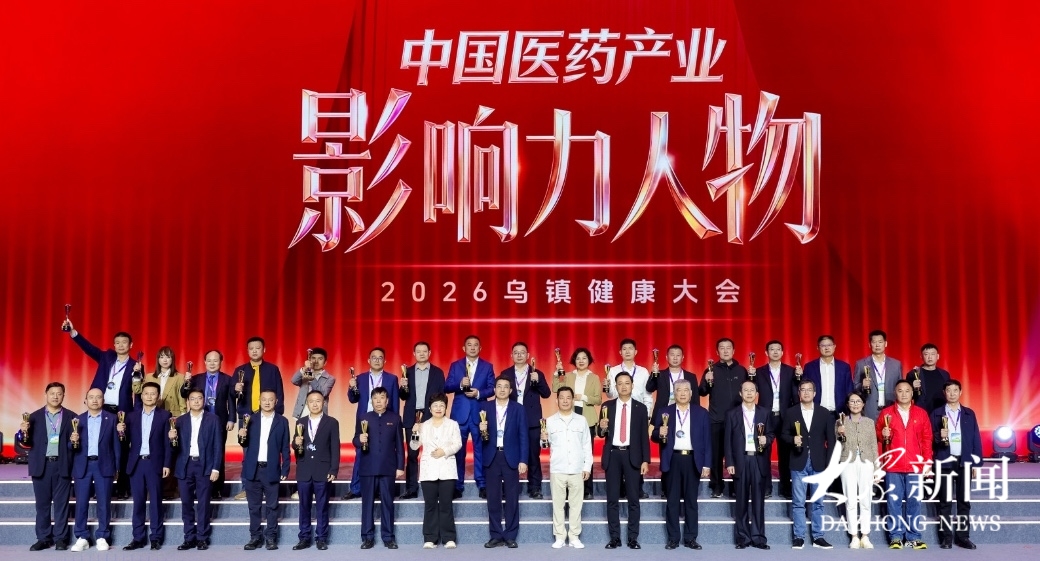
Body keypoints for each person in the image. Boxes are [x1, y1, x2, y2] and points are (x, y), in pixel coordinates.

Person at [66, 320, 138, 499]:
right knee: (96, 446)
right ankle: (94, 487)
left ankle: (121, 487)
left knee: (121, 448)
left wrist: (138, 374)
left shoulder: (136, 365)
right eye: (117, 342)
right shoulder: (106, 357)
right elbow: (89, 349)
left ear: (131, 345)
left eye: (124, 342)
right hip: (100, 408)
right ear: (114, 345)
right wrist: (73, 332)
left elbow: (138, 391)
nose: (121, 345)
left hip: (122, 412)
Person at [653, 379, 711, 550]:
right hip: (673, 459)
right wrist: (659, 432)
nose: (683, 393)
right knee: (672, 501)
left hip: (693, 460)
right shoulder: (665, 412)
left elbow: (707, 441)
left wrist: (707, 464)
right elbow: (654, 436)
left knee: (691, 501)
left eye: (686, 390)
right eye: (679, 390)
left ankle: (690, 538)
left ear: (691, 393)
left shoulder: (701, 413)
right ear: (674, 393)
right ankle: (673, 538)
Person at [19, 382, 75, 552]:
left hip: (62, 465)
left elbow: (75, 446)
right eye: (52, 393)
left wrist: (74, 442)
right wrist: (22, 432)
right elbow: (24, 443)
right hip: (41, 466)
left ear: (64, 396)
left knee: (61, 505)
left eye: (59, 393)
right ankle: (43, 538)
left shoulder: (72, 417)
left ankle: (60, 538)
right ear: (45, 394)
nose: (55, 396)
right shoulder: (33, 417)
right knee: (42, 505)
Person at [877, 379, 932, 550]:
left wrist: (927, 462)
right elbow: (877, 438)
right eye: (900, 391)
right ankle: (896, 536)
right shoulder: (886, 413)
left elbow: (927, 440)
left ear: (912, 393)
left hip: (915, 465)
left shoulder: (921, 414)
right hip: (893, 465)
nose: (904, 394)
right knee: (894, 502)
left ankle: (913, 536)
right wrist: (881, 433)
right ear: (895, 393)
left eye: (907, 390)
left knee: (914, 501)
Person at [598, 371, 650, 550]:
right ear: (615, 386)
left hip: (632, 455)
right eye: (620, 383)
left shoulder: (640, 408)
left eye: (627, 383)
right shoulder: (607, 406)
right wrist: (601, 427)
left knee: (633, 499)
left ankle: (632, 538)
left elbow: (643, 436)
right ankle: (615, 538)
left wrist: (646, 460)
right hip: (613, 454)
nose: (623, 386)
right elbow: (600, 433)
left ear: (632, 385)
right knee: (612, 499)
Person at [782, 379, 836, 549]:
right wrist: (793, 439)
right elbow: (783, 435)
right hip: (798, 461)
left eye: (809, 390)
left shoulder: (824, 413)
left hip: (819, 463)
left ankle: (818, 537)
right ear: (799, 393)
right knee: (798, 502)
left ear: (815, 393)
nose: (806, 392)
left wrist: (829, 464)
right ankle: (799, 536)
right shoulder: (791, 412)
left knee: (818, 502)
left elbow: (831, 440)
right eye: (803, 390)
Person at [120, 382, 173, 551]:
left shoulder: (165, 416)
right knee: (138, 502)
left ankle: (156, 537)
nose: (149, 396)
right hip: (136, 464)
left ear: (158, 397)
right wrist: (120, 431)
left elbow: (167, 443)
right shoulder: (131, 416)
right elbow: (124, 442)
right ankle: (138, 538)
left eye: (153, 393)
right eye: (146, 393)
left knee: (156, 501)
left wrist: (167, 464)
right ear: (141, 396)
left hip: (154, 463)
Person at [931, 379, 983, 550]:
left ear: (960, 392)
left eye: (955, 390)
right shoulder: (937, 413)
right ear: (944, 393)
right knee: (945, 501)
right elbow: (929, 438)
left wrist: (976, 463)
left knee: (964, 501)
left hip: (964, 461)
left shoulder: (969, 413)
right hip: (945, 461)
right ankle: (946, 538)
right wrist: (939, 435)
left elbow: (975, 438)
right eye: (949, 390)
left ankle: (963, 537)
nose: (952, 394)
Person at [68, 388, 121, 552]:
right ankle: (82, 536)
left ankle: (102, 536)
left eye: (98, 397)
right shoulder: (77, 420)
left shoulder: (111, 419)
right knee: (81, 503)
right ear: (85, 400)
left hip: (104, 465)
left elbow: (116, 445)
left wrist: (117, 467)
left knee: (104, 502)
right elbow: (71, 447)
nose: (95, 400)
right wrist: (72, 441)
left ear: (103, 401)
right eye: (91, 397)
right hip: (82, 465)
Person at [344, 347, 400, 500]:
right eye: (374, 357)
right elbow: (353, 399)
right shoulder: (360, 378)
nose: (377, 360)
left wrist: (395, 422)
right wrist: (351, 387)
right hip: (365, 421)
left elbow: (395, 402)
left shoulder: (392, 379)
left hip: (385, 420)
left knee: (384, 453)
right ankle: (356, 488)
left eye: (380, 357)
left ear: (385, 361)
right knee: (361, 452)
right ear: (368, 360)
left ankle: (380, 488)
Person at [170, 388, 223, 550]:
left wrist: (216, 468)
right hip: (185, 466)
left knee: (203, 503)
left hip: (204, 465)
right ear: (188, 402)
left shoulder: (213, 419)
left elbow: (218, 445)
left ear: (203, 400)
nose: (196, 401)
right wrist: (171, 439)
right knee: (186, 503)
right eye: (192, 399)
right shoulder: (180, 421)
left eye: (199, 398)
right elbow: (174, 448)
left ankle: (202, 537)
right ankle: (189, 537)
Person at [479, 376, 529, 548]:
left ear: (511, 390)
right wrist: (481, 430)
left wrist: (523, 459)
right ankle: (495, 534)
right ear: (494, 389)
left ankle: (510, 535)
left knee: (512, 498)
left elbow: (523, 436)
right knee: (493, 498)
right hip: (492, 456)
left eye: (505, 387)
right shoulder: (485, 407)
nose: (501, 389)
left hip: (511, 457)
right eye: (499, 386)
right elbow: (480, 437)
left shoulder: (518, 409)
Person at [444, 335, 495, 499]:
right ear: (464, 348)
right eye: (469, 345)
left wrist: (479, 393)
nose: (472, 348)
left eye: (476, 345)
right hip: (459, 415)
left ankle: (482, 484)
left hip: (479, 413)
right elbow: (446, 386)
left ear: (480, 348)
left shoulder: (487, 366)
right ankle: (457, 485)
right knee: (458, 451)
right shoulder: (455, 365)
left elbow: (492, 388)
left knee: (481, 450)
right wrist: (460, 385)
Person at [239, 389, 291, 550]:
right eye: (264, 399)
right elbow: (244, 443)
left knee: (272, 506)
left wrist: (285, 469)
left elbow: (285, 448)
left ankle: (271, 537)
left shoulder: (282, 421)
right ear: (259, 401)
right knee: (253, 507)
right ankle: (255, 537)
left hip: (271, 469)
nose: (267, 402)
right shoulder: (250, 419)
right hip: (252, 469)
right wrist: (241, 436)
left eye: (270, 399)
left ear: (276, 402)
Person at [354, 387, 405, 549]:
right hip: (367, 467)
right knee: (367, 503)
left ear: (387, 400)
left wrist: (400, 466)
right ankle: (367, 537)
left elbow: (399, 445)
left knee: (388, 503)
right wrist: (359, 439)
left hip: (388, 468)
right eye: (375, 398)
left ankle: (388, 537)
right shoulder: (364, 417)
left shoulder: (395, 418)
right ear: (371, 400)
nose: (378, 401)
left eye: (382, 398)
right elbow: (355, 440)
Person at [182, 350, 237, 499]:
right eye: (209, 360)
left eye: (215, 360)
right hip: (198, 421)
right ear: (205, 362)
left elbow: (231, 400)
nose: (212, 363)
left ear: (221, 362)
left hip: (219, 421)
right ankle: (199, 486)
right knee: (199, 452)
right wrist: (186, 382)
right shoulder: (196, 378)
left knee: (218, 453)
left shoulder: (227, 379)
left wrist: (231, 419)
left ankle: (217, 488)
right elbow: (184, 394)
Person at [543, 386, 593, 549]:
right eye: (562, 398)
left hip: (577, 469)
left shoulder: (581, 420)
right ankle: (559, 536)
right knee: (558, 505)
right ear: (556, 400)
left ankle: (574, 537)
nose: (565, 401)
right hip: (558, 469)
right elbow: (544, 446)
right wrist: (543, 439)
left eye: (568, 398)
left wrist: (587, 467)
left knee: (576, 505)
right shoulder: (549, 421)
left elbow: (587, 445)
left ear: (572, 400)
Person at [725, 380, 773, 550]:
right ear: (740, 393)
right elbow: (727, 440)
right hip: (740, 461)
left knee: (759, 502)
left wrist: (766, 439)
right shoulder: (732, 414)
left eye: (752, 390)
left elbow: (771, 434)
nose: (749, 393)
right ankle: (743, 538)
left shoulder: (765, 412)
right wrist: (729, 462)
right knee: (741, 501)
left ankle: (759, 538)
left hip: (758, 460)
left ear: (757, 393)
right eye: (746, 390)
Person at [646, 344, 697, 499]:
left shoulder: (690, 376)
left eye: (678, 355)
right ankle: (666, 486)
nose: (675, 358)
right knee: (666, 451)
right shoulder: (660, 374)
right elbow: (649, 388)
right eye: (672, 355)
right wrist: (653, 374)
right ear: (666, 357)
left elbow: (695, 399)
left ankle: (685, 485)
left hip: (685, 415)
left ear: (683, 357)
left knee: (684, 447)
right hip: (665, 416)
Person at [293, 391, 341, 551]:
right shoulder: (300, 422)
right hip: (304, 470)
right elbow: (296, 447)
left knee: (322, 506)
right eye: (311, 401)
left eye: (318, 401)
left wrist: (334, 469)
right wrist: (296, 443)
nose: (315, 404)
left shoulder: (332, 422)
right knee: (304, 506)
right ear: (307, 404)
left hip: (323, 470)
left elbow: (335, 448)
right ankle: (304, 538)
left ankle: (321, 538)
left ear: (323, 402)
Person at [552, 347, 602, 500]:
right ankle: (569, 488)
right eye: (578, 358)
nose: (581, 361)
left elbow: (598, 399)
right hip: (569, 417)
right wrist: (557, 373)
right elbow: (556, 388)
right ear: (574, 360)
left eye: (584, 358)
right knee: (570, 453)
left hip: (588, 418)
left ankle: (587, 489)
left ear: (589, 360)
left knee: (587, 454)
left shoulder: (594, 378)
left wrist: (583, 397)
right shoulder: (568, 376)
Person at [698, 337, 745, 498]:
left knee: (737, 454)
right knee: (716, 455)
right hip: (716, 419)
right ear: (717, 352)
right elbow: (702, 392)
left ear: (734, 350)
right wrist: (706, 381)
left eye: (728, 347)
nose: (725, 350)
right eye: (722, 348)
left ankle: (736, 486)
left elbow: (751, 391)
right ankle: (717, 486)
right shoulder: (711, 370)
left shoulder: (742, 370)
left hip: (738, 420)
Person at [413, 392, 461, 549]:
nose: (438, 408)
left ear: (446, 408)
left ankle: (448, 538)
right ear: (430, 408)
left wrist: (444, 451)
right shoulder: (424, 425)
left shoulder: (452, 424)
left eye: (442, 405)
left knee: (446, 505)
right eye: (435, 405)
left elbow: (458, 444)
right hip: (428, 470)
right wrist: (415, 432)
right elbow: (414, 446)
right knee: (430, 505)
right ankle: (430, 538)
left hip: (447, 468)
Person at [502, 342, 550, 498]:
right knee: (510, 454)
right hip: (512, 419)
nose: (519, 355)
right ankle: (510, 487)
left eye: (522, 352)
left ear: (528, 355)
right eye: (516, 352)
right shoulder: (506, 374)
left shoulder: (536, 373)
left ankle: (535, 487)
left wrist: (539, 380)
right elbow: (499, 394)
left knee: (533, 455)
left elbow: (547, 394)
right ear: (511, 355)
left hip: (532, 420)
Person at [751, 340, 798, 498]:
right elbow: (750, 391)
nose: (775, 352)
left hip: (785, 417)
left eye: (778, 349)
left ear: (782, 352)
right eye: (772, 349)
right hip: (766, 417)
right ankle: (766, 487)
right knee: (764, 453)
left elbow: (795, 394)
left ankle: (786, 487)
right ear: (766, 353)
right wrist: (751, 377)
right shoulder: (759, 372)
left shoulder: (791, 371)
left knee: (786, 454)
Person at [400, 341, 445, 499]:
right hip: (412, 418)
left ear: (429, 353)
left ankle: (433, 487)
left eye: (424, 351)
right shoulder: (407, 372)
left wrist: (439, 416)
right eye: (418, 351)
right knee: (412, 454)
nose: (421, 354)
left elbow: (442, 396)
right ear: (414, 354)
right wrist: (402, 386)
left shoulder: (437, 372)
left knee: (432, 452)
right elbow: (403, 396)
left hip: (431, 417)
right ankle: (411, 489)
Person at [836, 391, 877, 549]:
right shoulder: (840, 421)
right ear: (847, 404)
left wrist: (876, 467)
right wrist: (840, 433)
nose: (855, 404)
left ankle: (865, 535)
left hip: (867, 462)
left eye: (858, 401)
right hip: (847, 462)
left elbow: (873, 445)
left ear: (863, 404)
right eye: (852, 401)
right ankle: (854, 536)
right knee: (851, 501)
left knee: (866, 500)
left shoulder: (869, 422)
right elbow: (838, 445)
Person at [853, 330, 902, 421]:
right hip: (869, 409)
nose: (877, 345)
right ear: (869, 344)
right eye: (874, 342)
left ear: (885, 344)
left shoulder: (896, 365)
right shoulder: (861, 364)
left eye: (880, 342)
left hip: (891, 408)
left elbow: (900, 387)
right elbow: (854, 387)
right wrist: (862, 385)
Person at [233, 336, 286, 417]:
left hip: (268, 413)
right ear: (247, 351)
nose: (254, 351)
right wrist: (235, 389)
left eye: (257, 348)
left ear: (264, 349)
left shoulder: (272, 369)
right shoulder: (240, 370)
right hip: (245, 414)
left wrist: (278, 413)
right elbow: (231, 393)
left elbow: (279, 392)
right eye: (251, 349)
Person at [803, 335, 853, 417]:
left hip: (839, 414)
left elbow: (849, 390)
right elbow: (804, 389)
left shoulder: (844, 367)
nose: (827, 348)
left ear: (834, 346)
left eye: (829, 345)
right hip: (816, 413)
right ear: (818, 348)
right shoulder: (809, 367)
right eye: (823, 345)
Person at [133, 346, 187, 415]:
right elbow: (137, 390)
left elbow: (182, 400)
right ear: (158, 359)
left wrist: (183, 415)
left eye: (168, 357)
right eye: (161, 357)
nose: (165, 360)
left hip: (172, 415)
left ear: (172, 359)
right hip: (153, 414)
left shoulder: (179, 377)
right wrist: (137, 373)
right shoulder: (149, 377)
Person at [291, 347, 336, 419]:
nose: (316, 361)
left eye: (320, 359)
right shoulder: (305, 373)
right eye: (313, 358)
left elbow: (323, 393)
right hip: (302, 412)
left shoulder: (330, 378)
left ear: (325, 362)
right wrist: (304, 368)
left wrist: (312, 379)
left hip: (319, 414)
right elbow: (294, 380)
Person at [910, 343, 951, 414]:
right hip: (921, 412)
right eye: (926, 354)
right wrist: (912, 387)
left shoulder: (945, 374)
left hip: (941, 412)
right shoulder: (913, 374)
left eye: (932, 354)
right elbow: (907, 395)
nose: (930, 357)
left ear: (938, 356)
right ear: (921, 357)